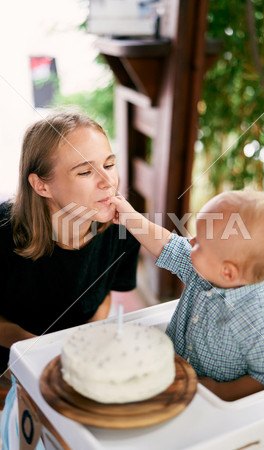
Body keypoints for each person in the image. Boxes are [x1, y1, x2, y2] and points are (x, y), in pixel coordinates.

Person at [0, 109, 140, 448]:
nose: (108, 181)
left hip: (73, 364)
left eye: (109, 164)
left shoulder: (124, 230)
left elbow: (104, 296)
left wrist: (80, 351)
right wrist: (40, 356)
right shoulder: (4, 232)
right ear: (41, 184)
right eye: (84, 171)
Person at [109, 189, 264, 401]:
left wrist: (216, 391)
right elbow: (167, 245)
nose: (190, 242)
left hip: (214, 407)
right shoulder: (207, 270)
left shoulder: (261, 321)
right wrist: (130, 217)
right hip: (171, 375)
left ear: (228, 271)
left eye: (199, 243)